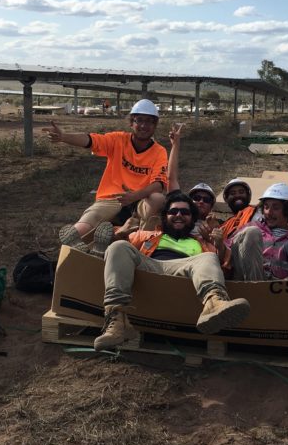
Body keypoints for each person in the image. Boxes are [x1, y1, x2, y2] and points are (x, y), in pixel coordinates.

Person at [93, 192, 250, 349]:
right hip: (150, 266)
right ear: (165, 216)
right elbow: (116, 256)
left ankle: (214, 303)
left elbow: (225, 270)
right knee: (119, 246)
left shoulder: (203, 243)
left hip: (184, 271)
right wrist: (121, 233)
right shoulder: (146, 235)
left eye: (185, 212)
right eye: (173, 212)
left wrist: (219, 245)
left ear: (193, 218)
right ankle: (117, 320)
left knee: (209, 257)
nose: (179, 215)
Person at [44, 98, 167, 251]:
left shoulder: (159, 151)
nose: (143, 125)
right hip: (112, 198)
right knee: (85, 225)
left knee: (157, 198)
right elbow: (91, 140)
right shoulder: (118, 140)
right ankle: (79, 243)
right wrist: (64, 137)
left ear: (155, 125)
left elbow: (159, 184)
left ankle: (140, 242)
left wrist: (135, 196)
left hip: (140, 201)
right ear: (131, 123)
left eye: (149, 122)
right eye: (139, 120)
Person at [219, 178, 261, 242]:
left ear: (248, 196)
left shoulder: (257, 213)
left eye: (241, 192)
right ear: (226, 199)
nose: (237, 195)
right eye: (232, 193)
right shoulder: (225, 225)